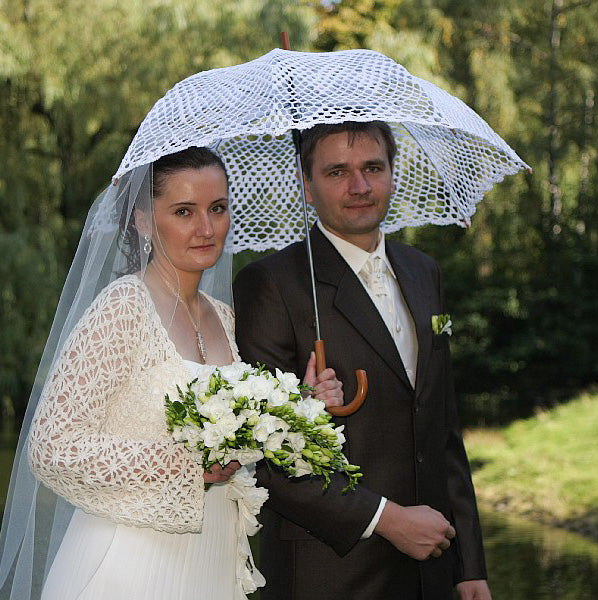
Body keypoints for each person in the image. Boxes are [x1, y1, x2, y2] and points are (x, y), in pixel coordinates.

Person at [0, 146, 342, 600]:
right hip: (129, 564)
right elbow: (51, 447)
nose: (206, 228)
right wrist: (185, 464)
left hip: (210, 563)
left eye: (217, 209)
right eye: (184, 211)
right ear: (143, 219)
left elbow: (240, 435)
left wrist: (298, 408)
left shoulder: (225, 318)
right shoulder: (123, 308)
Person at [233, 121, 492, 600]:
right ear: (306, 184)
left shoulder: (423, 271)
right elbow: (266, 454)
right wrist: (388, 521)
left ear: (393, 174)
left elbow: (442, 426)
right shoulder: (271, 284)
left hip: (431, 568)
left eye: (373, 167)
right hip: (330, 571)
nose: (359, 186)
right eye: (337, 172)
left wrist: (468, 564)